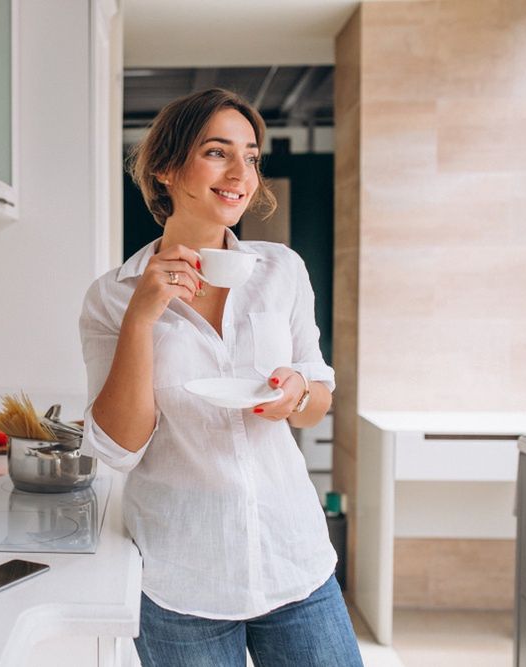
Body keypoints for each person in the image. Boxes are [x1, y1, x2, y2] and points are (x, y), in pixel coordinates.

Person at [79, 88, 363, 666]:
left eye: (252, 156)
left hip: (295, 561)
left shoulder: (282, 270)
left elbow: (317, 399)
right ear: (165, 168)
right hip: (182, 577)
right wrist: (141, 319)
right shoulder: (113, 296)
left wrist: (296, 394)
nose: (241, 173)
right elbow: (117, 447)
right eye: (217, 152)